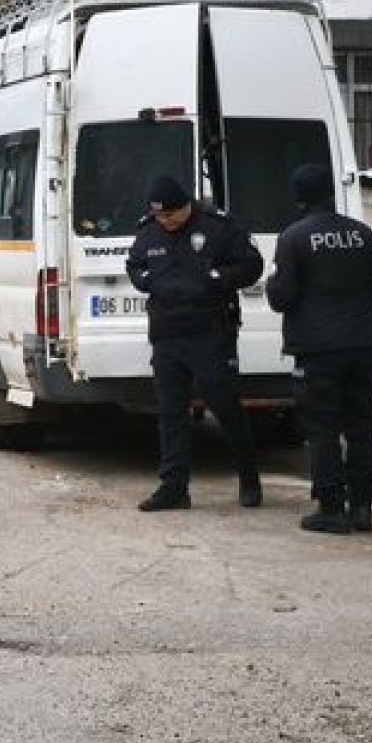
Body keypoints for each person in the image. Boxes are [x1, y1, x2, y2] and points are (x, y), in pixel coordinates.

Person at [265, 165, 372, 534]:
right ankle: (362, 507)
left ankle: (331, 508)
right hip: (365, 345)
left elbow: (281, 297)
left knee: (322, 428)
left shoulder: (293, 237)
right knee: (360, 426)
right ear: (331, 193)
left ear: (298, 196)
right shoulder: (362, 233)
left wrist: (277, 283)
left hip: (319, 349)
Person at [124, 175, 265, 511]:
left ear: (186, 205)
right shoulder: (149, 230)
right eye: (160, 216)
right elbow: (134, 265)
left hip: (210, 332)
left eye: (171, 214)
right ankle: (174, 487)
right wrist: (147, 281)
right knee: (171, 412)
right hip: (166, 333)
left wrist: (215, 279)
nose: (166, 221)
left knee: (225, 405)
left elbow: (251, 265)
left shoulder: (218, 226)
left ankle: (248, 477)